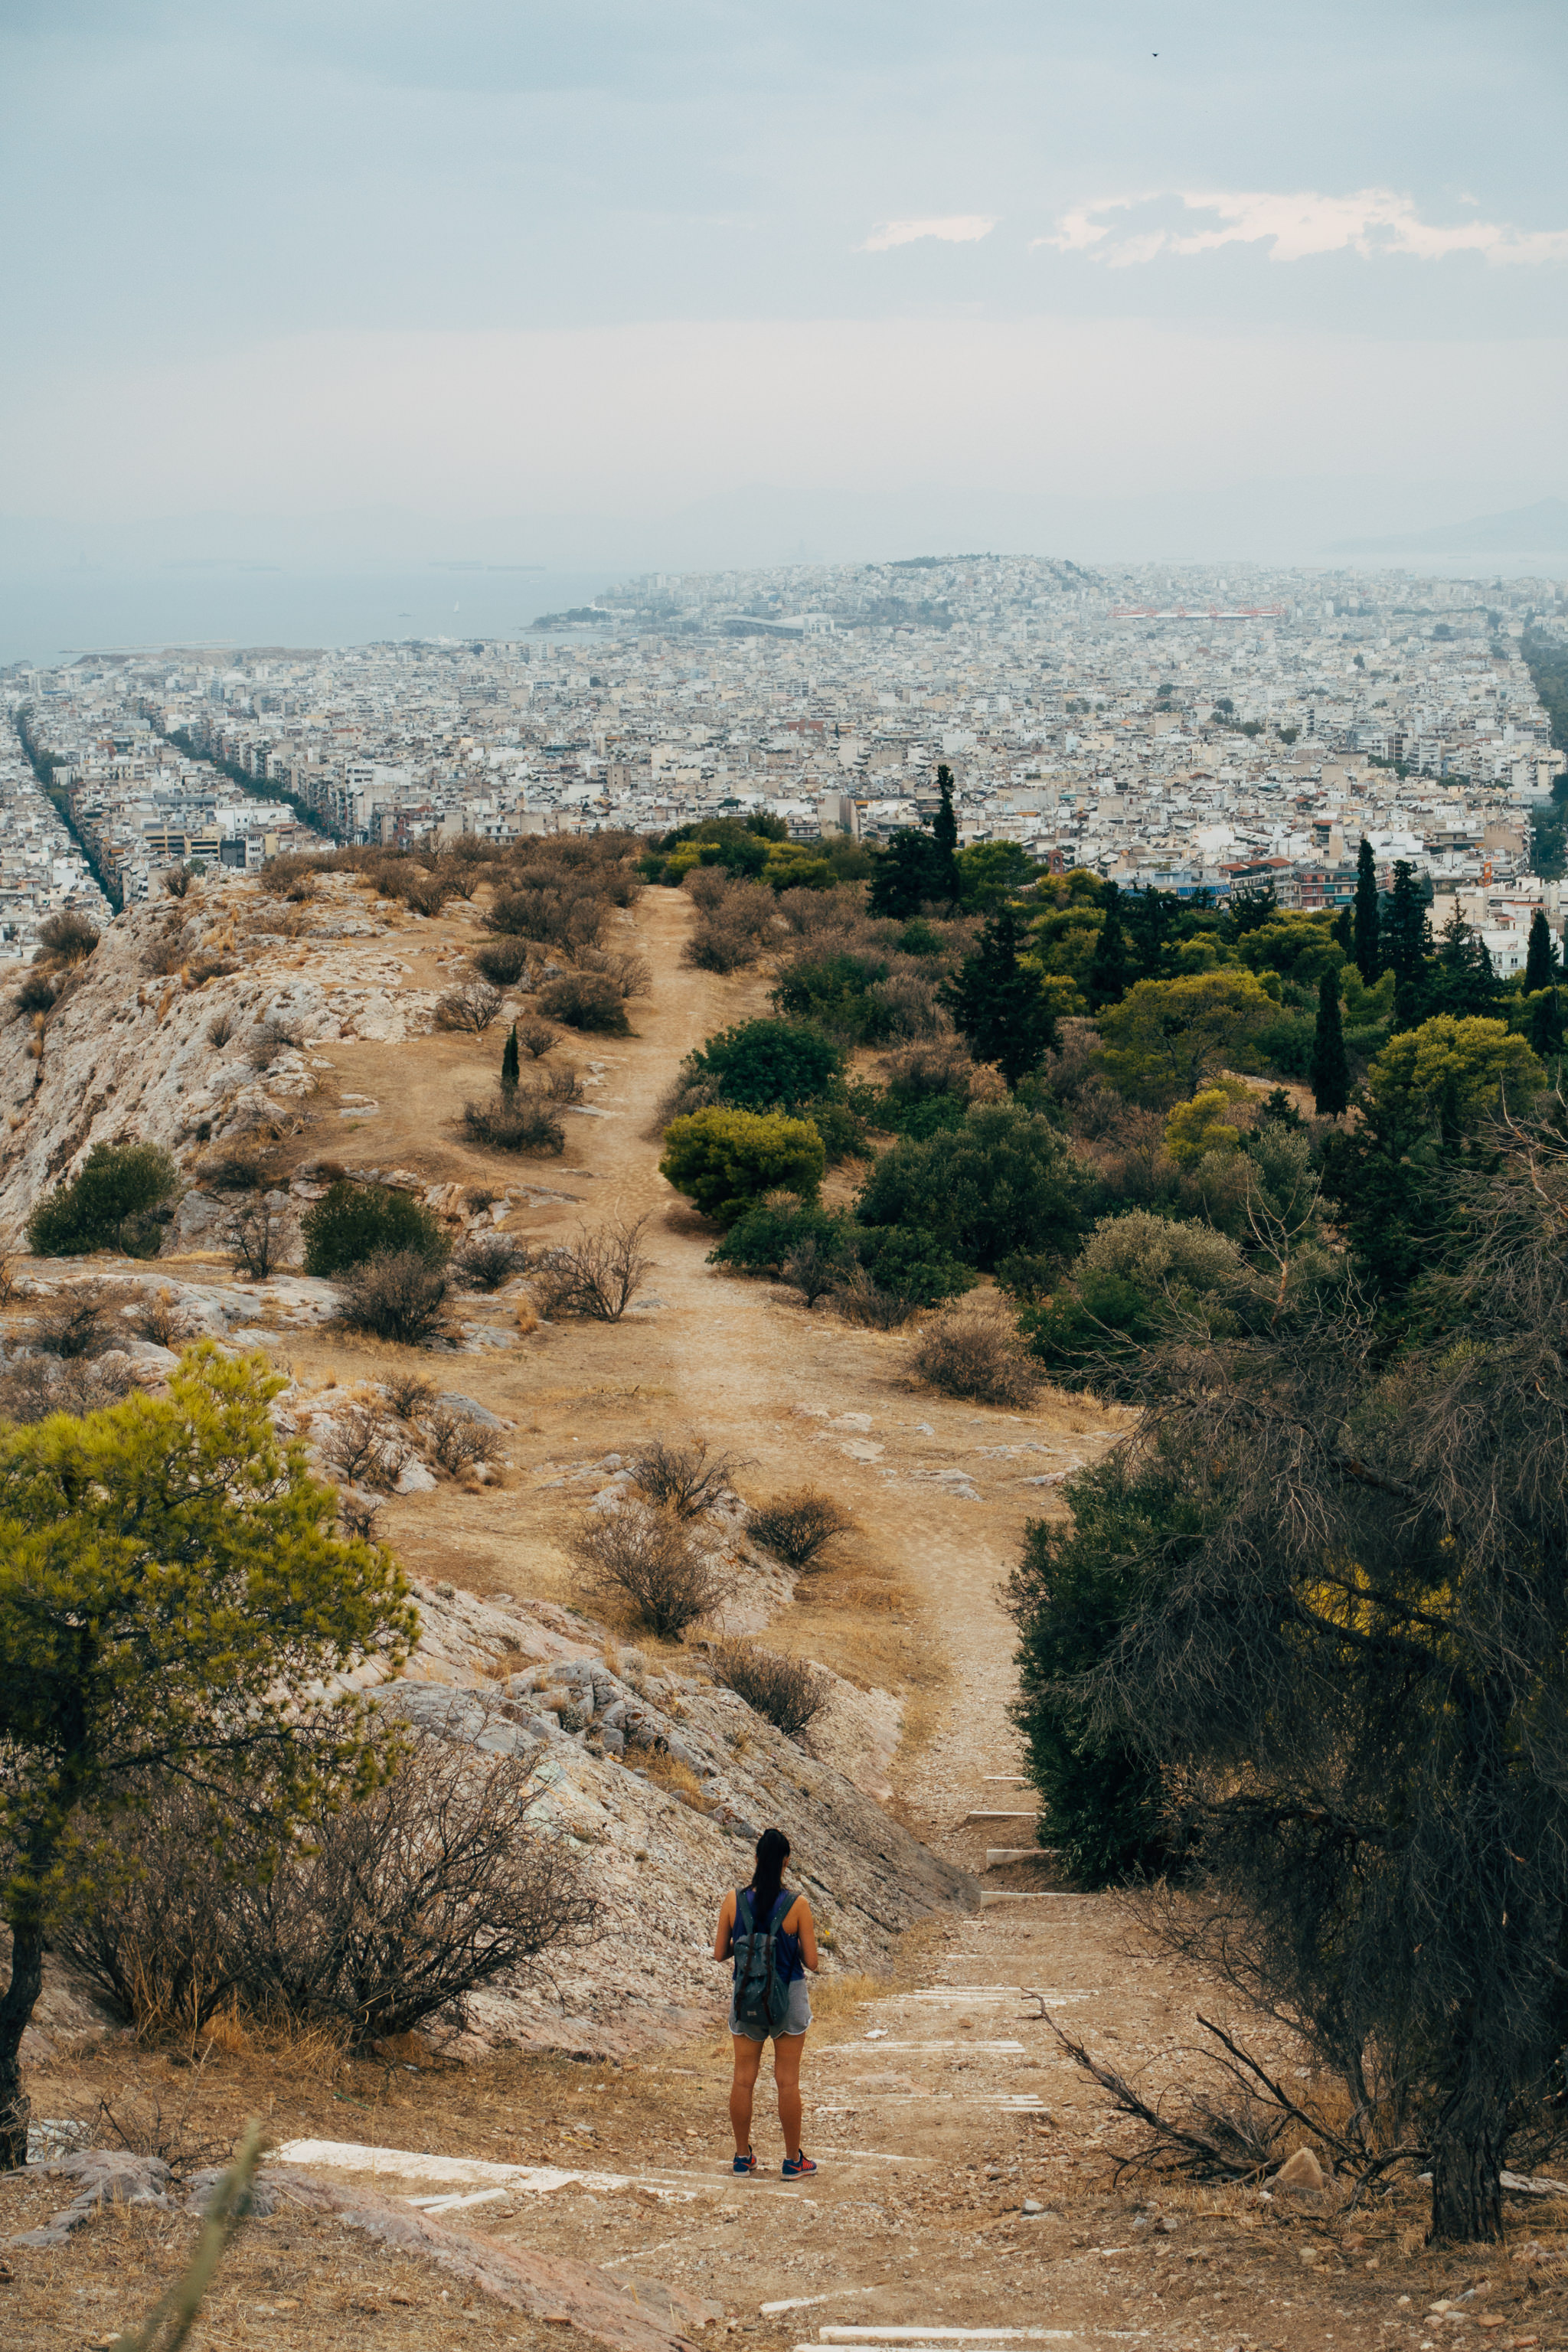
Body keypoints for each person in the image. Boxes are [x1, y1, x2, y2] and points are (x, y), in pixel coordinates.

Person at [713, 1825, 818, 2177]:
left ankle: (743, 2157)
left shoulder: (734, 1900)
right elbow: (813, 1961)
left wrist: (747, 1946)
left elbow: (718, 1954)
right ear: (786, 1862)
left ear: (756, 1858)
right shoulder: (797, 1905)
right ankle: (793, 2161)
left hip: (747, 1996)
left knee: (743, 2078)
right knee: (787, 2081)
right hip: (787, 1996)